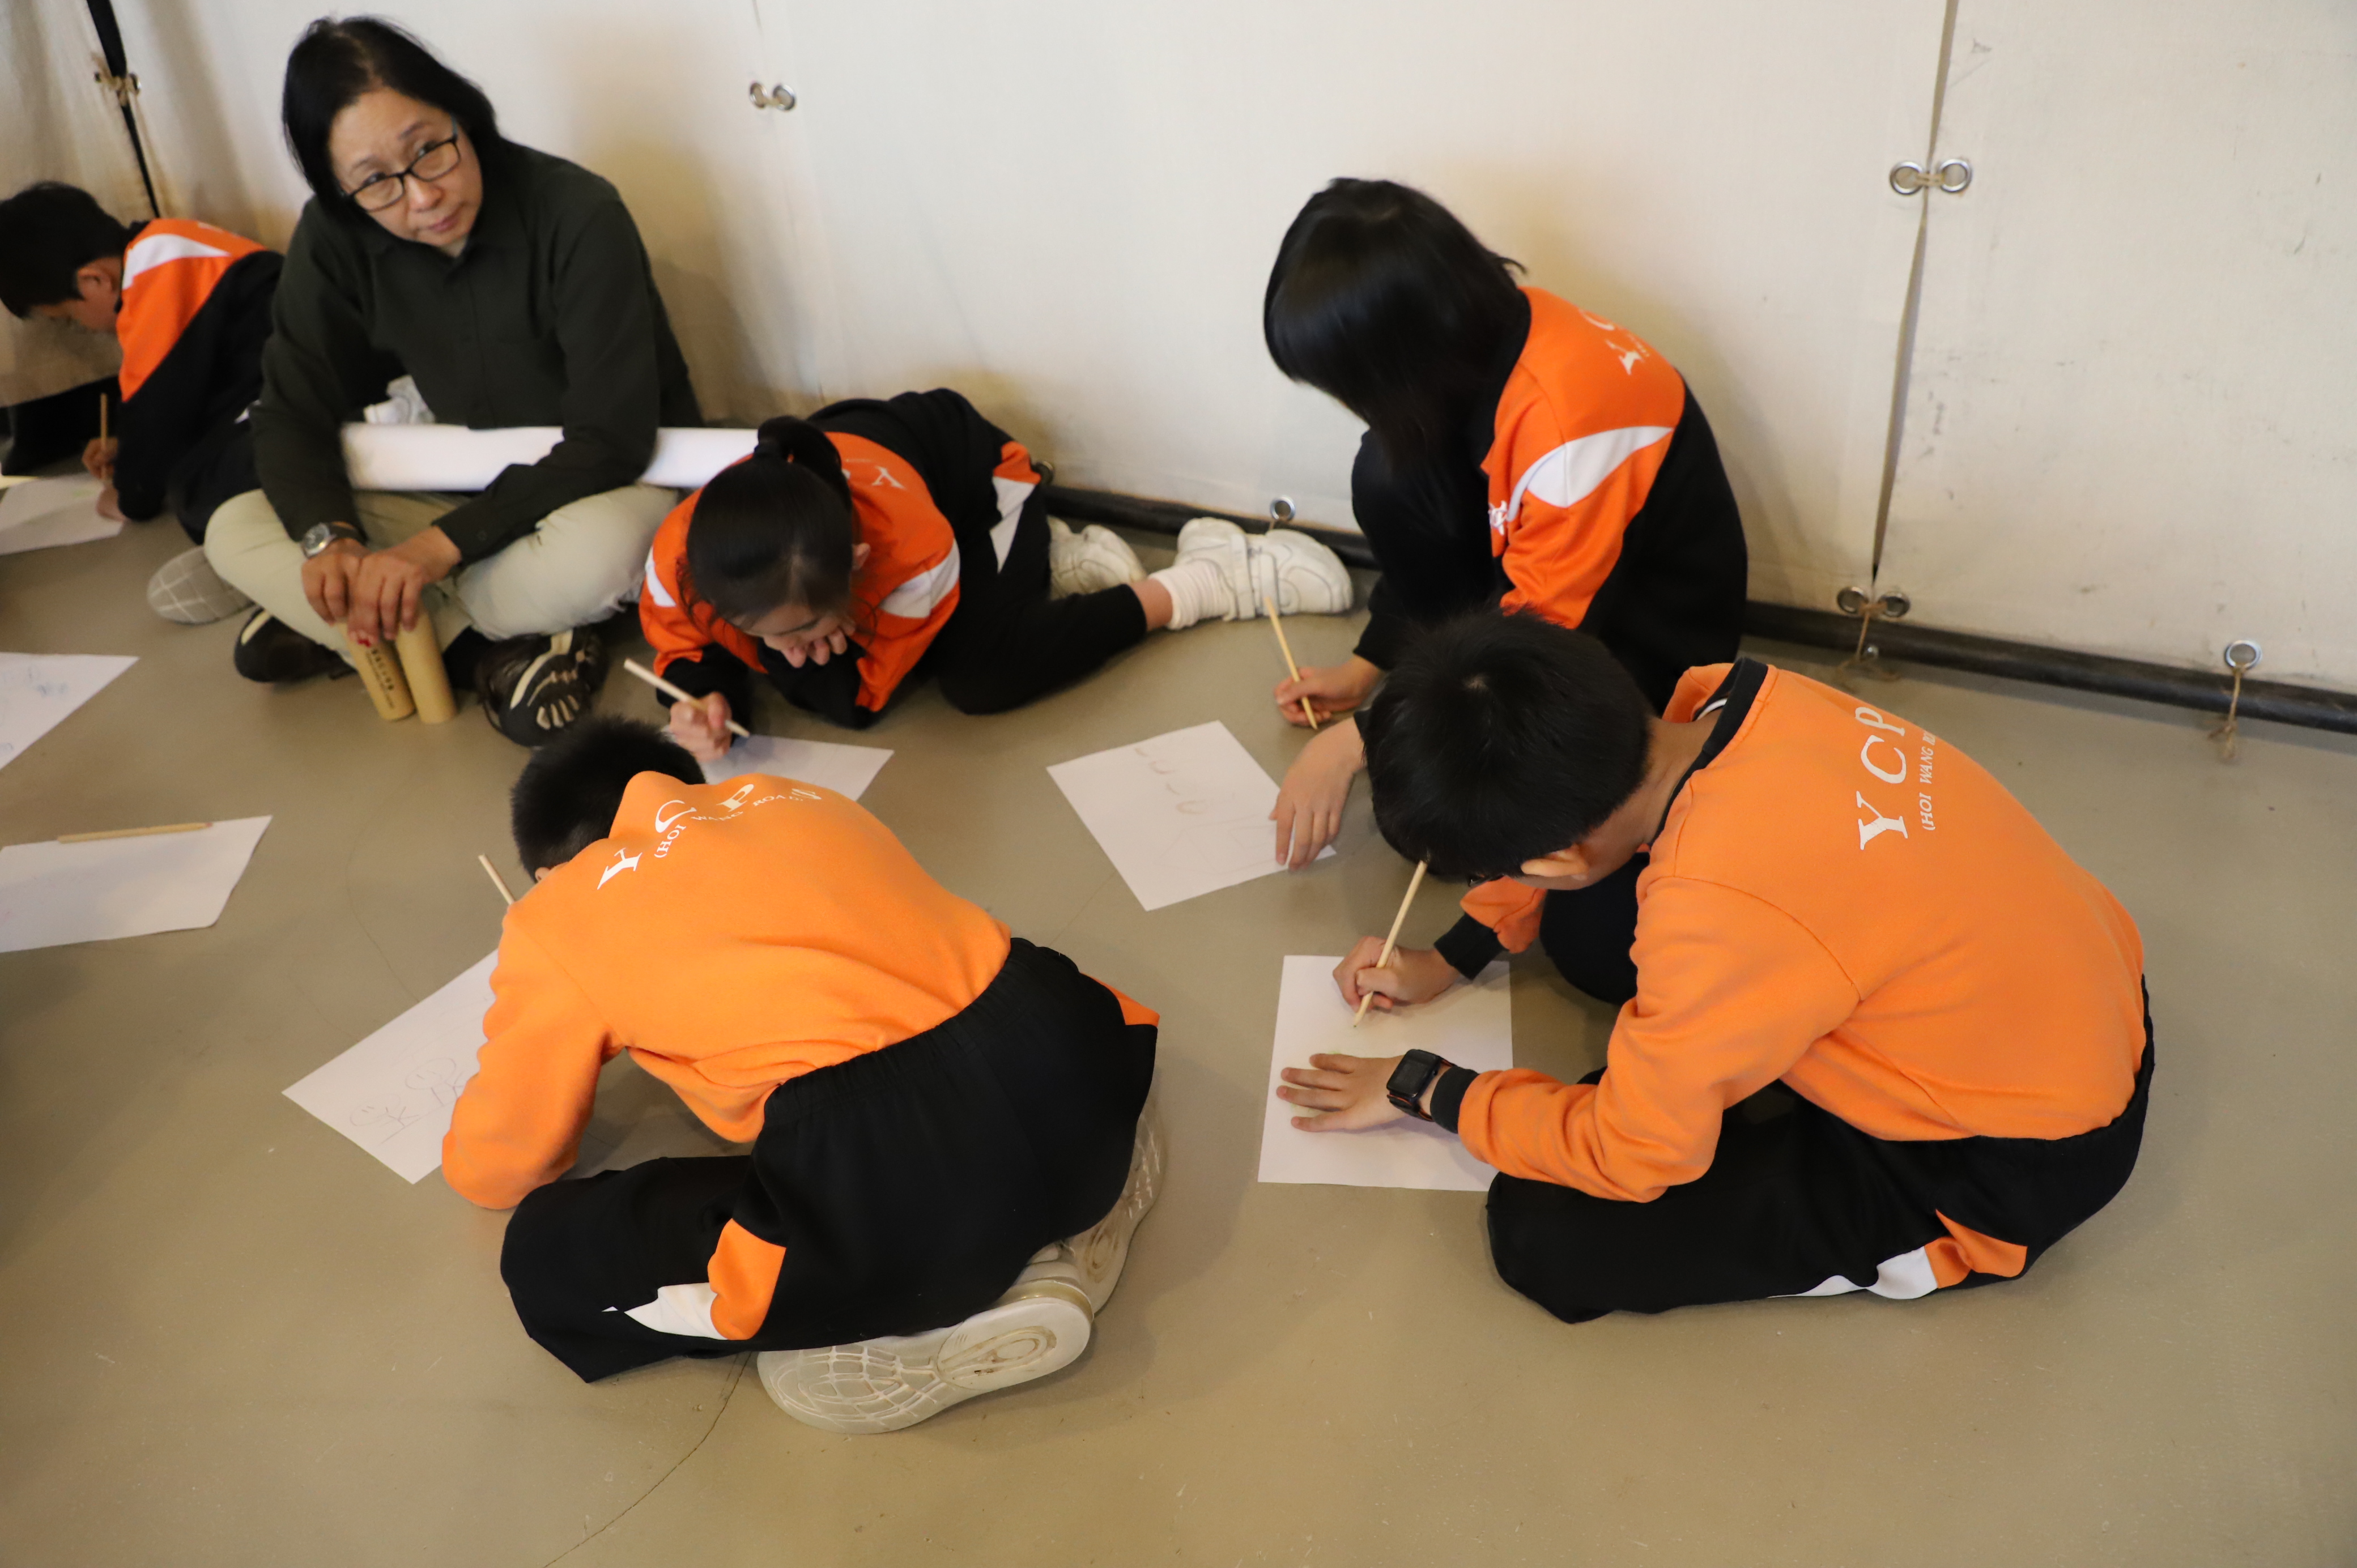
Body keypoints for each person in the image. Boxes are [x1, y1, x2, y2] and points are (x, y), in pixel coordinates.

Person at [1279, 612, 2150, 1323]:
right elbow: (1588, 847)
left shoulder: (1715, 914)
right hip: (2069, 981)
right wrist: (1456, 955)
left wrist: (1431, 1090)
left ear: (1550, 858)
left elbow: (1634, 1156)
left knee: (1544, 1232)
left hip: (2009, 1158)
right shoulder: (1740, 695)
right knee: (1593, 933)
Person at [448, 714, 1163, 1430]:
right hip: (1080, 1050)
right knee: (994, 1081)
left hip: (894, 1165)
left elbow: (503, 1158)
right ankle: (1074, 1213)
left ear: (545, 876)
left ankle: (938, 1318)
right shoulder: (790, 795)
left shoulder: (557, 912)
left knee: (545, 1252)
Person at [202, 18, 700, 743]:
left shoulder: (577, 211)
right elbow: (289, 409)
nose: (422, 197)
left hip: (596, 486)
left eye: (428, 150)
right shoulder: (335, 234)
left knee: (608, 550)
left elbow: (611, 439)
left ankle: (373, 635)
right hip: (461, 490)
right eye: (376, 181)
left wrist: (434, 550)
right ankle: (493, 652)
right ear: (340, 190)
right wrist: (331, 542)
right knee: (234, 529)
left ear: (464, 117)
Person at [1258, 178, 1749, 889]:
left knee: (1442, 829)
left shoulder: (1573, 427)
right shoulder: (1485, 334)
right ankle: (1425, 691)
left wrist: (1358, 739)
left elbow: (1527, 647)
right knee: (1390, 471)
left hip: (1644, 636)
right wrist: (1371, 664)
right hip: (1545, 583)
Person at [641, 389, 1352, 751]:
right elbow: (682, 644)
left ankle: (1202, 579)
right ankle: (1050, 573)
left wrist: (764, 660)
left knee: (980, 677)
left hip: (981, 491)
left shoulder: (911, 549)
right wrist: (704, 694)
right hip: (878, 504)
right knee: (944, 648)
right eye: (754, 629)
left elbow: (854, 702)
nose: (783, 648)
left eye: (798, 631)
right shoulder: (682, 552)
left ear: (856, 570)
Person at [0, 182, 279, 624]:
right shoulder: (163, 243)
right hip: (269, 382)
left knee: (200, 487)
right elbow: (182, 390)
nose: (83, 328)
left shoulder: (155, 273)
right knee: (199, 457)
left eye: (70, 317)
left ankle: (262, 563)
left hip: (303, 392)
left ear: (94, 281)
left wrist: (129, 494)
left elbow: (155, 412)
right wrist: (126, 446)